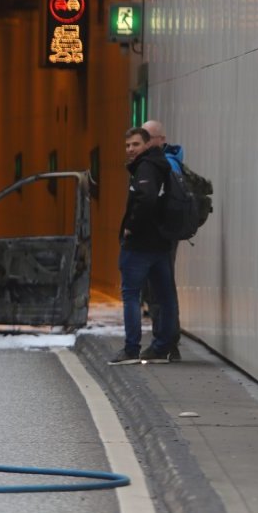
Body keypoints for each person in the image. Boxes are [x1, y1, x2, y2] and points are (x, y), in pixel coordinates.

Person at [110, 127, 179, 365]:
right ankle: (162, 348)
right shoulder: (163, 165)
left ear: (147, 144)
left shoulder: (146, 167)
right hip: (161, 243)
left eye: (136, 145)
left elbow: (146, 199)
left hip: (140, 245)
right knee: (165, 296)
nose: (130, 150)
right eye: (128, 145)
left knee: (131, 295)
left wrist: (131, 227)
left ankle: (131, 349)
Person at [142, 118, 184, 360]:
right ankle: (167, 342)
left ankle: (165, 343)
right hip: (162, 235)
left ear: (162, 140)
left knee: (160, 290)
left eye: (149, 138)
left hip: (160, 236)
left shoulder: (164, 166)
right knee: (159, 289)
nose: (145, 143)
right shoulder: (167, 163)